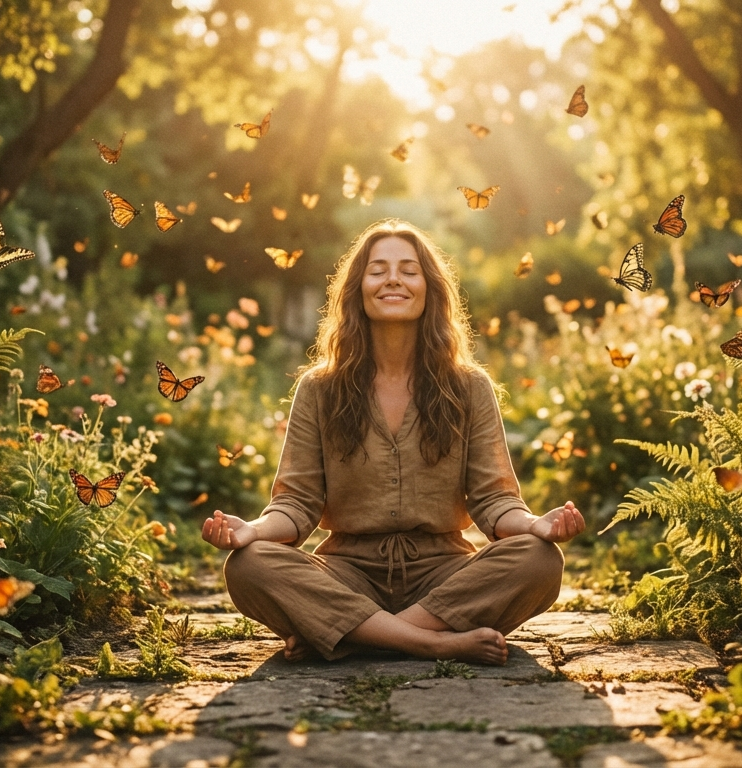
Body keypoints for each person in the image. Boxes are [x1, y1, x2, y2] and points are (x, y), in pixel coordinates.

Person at [201, 219, 585, 665]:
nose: (393, 279)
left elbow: (494, 499)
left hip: (443, 574)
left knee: (539, 560)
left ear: (429, 289)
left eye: (408, 269)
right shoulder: (319, 388)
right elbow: (297, 504)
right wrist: (252, 531)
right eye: (378, 269)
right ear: (358, 289)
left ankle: (354, 635)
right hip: (347, 573)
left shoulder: (469, 387)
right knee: (249, 565)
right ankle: (431, 642)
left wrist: (536, 525)